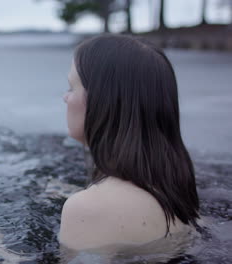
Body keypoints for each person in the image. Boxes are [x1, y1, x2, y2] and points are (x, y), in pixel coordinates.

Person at [59, 34, 201, 256]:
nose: (65, 98)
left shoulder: (89, 208)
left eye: (71, 87)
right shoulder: (173, 184)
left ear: (104, 101)